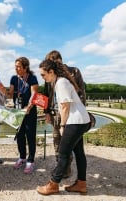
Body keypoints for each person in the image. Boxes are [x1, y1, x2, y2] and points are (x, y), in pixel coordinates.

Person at [36, 59, 90, 195]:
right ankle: (81, 184)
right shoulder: (60, 82)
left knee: (63, 153)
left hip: (75, 121)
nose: (42, 77)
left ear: (51, 72)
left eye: (43, 75)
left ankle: (53, 184)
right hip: (81, 120)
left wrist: (62, 125)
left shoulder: (61, 83)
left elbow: (65, 106)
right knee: (78, 153)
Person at [43, 50, 86, 178]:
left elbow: (82, 93)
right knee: (58, 141)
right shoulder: (50, 74)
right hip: (57, 112)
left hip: (72, 114)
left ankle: (62, 172)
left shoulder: (74, 71)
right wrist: (47, 112)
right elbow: (46, 94)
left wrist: (79, 113)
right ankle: (63, 168)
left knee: (72, 145)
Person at [8, 57, 39, 174]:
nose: (16, 69)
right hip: (18, 112)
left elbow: (34, 94)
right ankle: (22, 157)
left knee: (30, 136)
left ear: (26, 68)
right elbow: (10, 94)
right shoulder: (13, 78)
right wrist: (1, 90)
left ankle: (31, 160)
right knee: (20, 135)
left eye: (19, 66)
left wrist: (29, 107)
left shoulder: (32, 78)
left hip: (29, 112)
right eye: (15, 66)